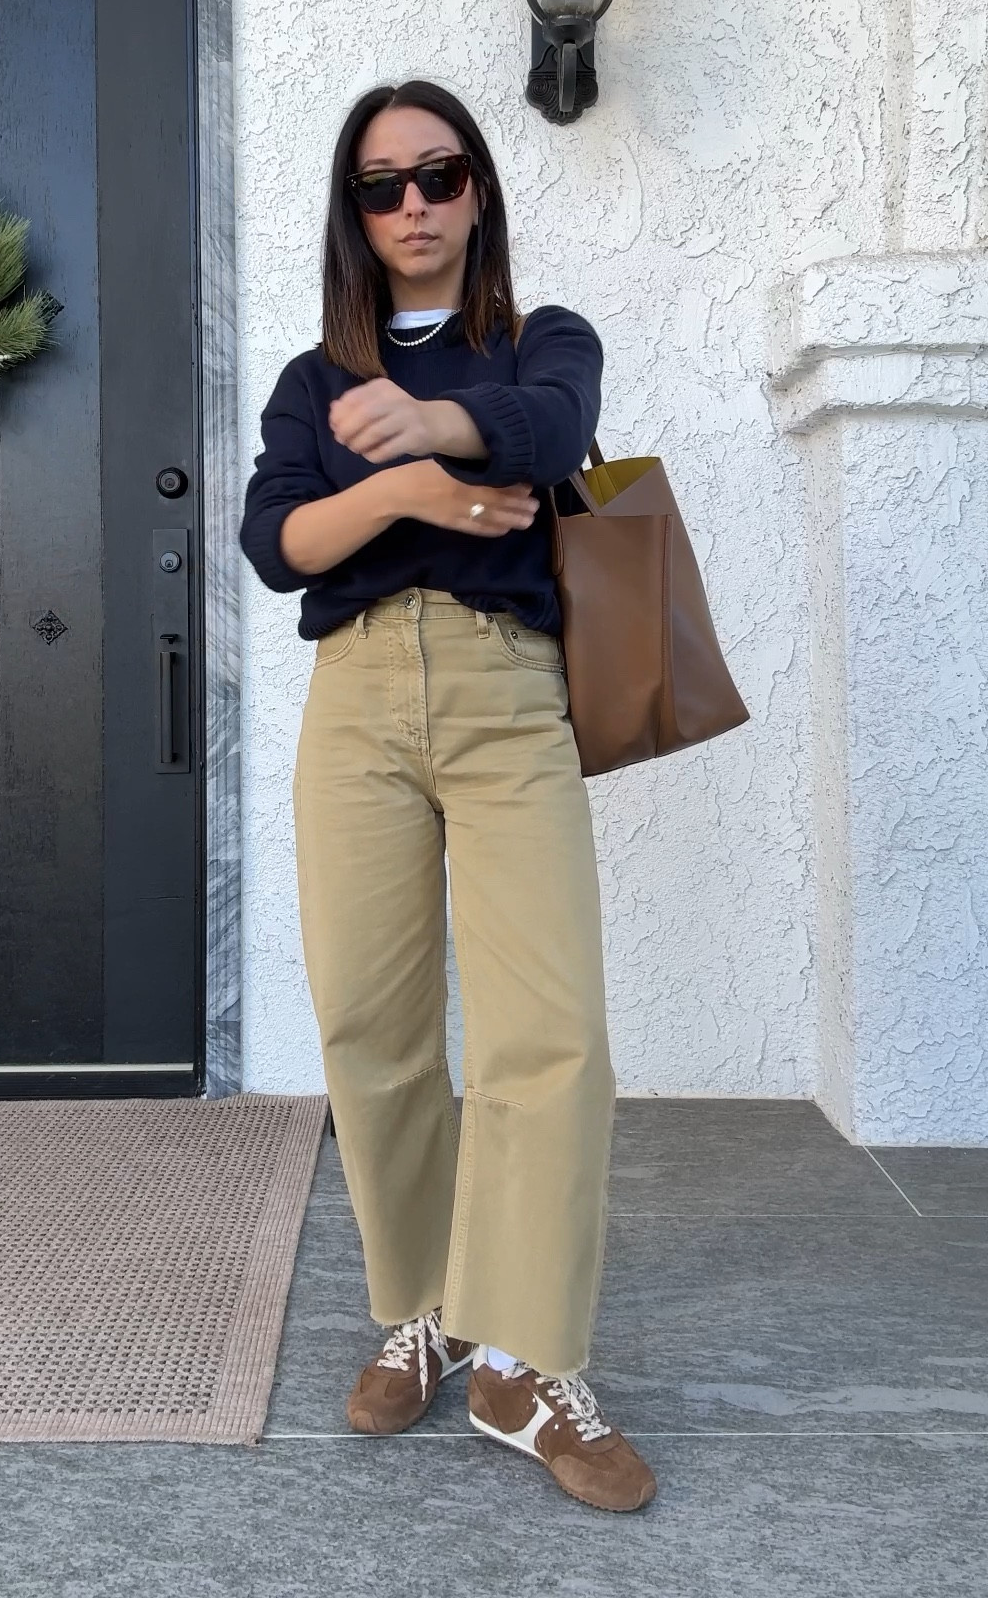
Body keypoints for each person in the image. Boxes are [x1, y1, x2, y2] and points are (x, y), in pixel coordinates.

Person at [239, 79, 656, 1513]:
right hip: (355, 702)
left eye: (440, 173)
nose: (412, 204)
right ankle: (426, 1307)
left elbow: (551, 432)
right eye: (380, 186)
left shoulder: (543, 341)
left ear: (480, 189)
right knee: (370, 1019)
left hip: (503, 698)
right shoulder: (310, 380)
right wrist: (415, 495)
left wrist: (427, 427)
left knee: (551, 1029)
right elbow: (278, 539)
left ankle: (524, 1364)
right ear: (354, 216)